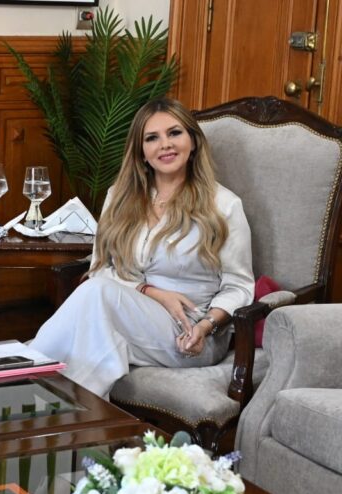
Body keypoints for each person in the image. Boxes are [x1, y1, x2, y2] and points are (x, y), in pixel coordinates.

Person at [29, 97, 254, 399]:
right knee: (94, 320)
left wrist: (205, 326)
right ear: (141, 152)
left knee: (93, 306)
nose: (165, 144)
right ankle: (61, 411)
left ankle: (22, 374)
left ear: (193, 141)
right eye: (152, 138)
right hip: (124, 316)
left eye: (174, 133)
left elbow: (239, 286)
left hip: (192, 331)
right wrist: (152, 292)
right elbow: (100, 269)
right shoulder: (120, 197)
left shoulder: (223, 205)